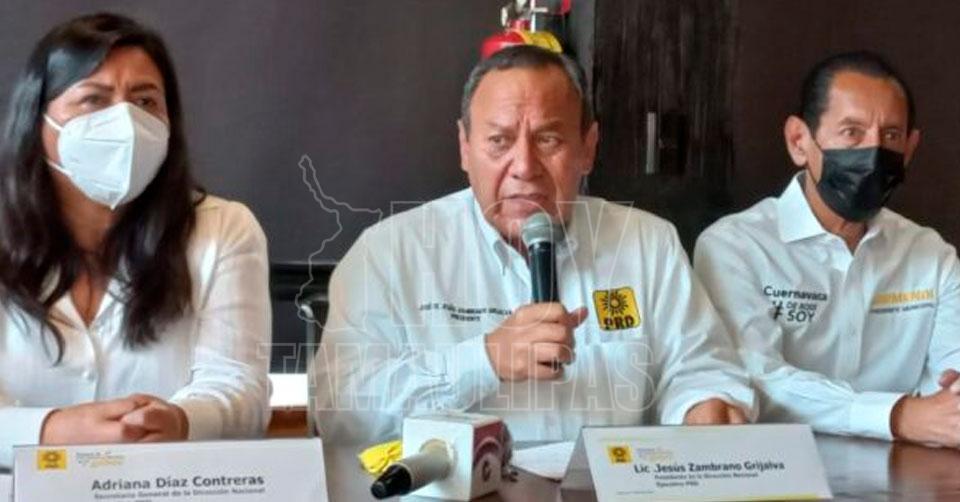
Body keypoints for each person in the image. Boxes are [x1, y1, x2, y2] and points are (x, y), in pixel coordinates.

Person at [313, 45, 755, 445]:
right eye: (499, 141)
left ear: (588, 148)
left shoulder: (647, 244)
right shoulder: (390, 253)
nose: (524, 166)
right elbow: (338, 411)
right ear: (465, 148)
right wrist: (484, 360)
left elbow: (700, 367)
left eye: (548, 140)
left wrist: (703, 404)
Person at [0, 13, 271, 466]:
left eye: (145, 101)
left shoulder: (224, 229)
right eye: (93, 99)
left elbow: (240, 388)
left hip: (167, 487)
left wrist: (180, 420)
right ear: (39, 118)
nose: (125, 121)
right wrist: (51, 430)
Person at [694, 51, 960, 446]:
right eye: (852, 132)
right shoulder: (735, 247)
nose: (873, 153)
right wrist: (896, 415)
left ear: (910, 148)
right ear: (799, 141)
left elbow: (951, 373)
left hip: (909, 467)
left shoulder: (931, 255)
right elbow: (756, 379)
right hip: (778, 463)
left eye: (891, 136)